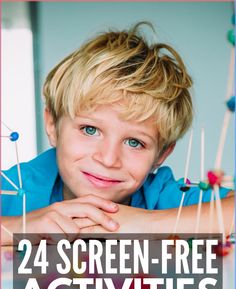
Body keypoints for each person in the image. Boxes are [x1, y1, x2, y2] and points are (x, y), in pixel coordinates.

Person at [1, 22, 234, 245]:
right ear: (52, 125)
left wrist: (148, 225)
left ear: (161, 154)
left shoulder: (162, 197)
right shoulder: (14, 188)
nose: (108, 159)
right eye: (90, 130)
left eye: (134, 142)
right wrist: (17, 227)